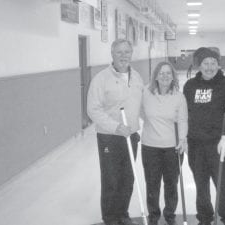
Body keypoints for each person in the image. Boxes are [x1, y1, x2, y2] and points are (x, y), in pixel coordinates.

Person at [87, 39, 143, 225]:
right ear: (112, 54)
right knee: (111, 178)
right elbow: (93, 109)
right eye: (119, 52)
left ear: (131, 54)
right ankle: (110, 218)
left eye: (127, 51)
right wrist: (115, 126)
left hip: (131, 135)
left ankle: (122, 214)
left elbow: (140, 105)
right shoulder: (101, 79)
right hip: (109, 137)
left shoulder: (137, 77)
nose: (123, 55)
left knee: (128, 177)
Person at [183, 47, 225, 225]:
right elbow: (185, 113)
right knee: (201, 184)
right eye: (205, 63)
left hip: (218, 144)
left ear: (218, 64)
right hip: (195, 144)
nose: (209, 67)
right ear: (199, 66)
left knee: (223, 183)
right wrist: (183, 137)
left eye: (213, 63)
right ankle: (205, 217)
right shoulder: (190, 85)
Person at [140, 61, 188, 225]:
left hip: (172, 148)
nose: (165, 76)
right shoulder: (146, 93)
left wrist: (182, 140)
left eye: (168, 73)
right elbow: (141, 113)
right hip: (150, 147)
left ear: (173, 76)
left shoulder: (179, 97)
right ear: (156, 76)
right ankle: (153, 215)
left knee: (171, 184)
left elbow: (182, 120)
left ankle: (169, 214)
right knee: (152, 184)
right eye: (161, 73)